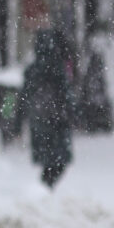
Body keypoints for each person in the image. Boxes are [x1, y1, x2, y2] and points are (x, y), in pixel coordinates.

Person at [22, 29, 74, 188]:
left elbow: (22, 96)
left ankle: (43, 189)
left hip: (38, 122)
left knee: (47, 161)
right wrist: (74, 114)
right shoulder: (58, 68)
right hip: (58, 122)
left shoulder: (31, 70)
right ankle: (44, 189)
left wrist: (14, 121)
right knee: (58, 162)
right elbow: (67, 96)